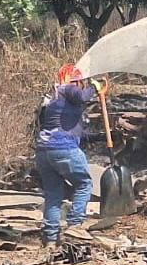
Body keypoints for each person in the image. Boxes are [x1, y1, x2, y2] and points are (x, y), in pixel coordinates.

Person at [34, 64, 104, 255]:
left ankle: (50, 239)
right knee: (84, 184)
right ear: (75, 81)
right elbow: (82, 96)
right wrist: (95, 87)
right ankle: (75, 227)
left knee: (53, 194)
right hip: (63, 149)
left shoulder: (53, 97)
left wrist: (100, 136)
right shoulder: (67, 88)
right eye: (80, 82)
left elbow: (72, 127)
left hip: (43, 152)